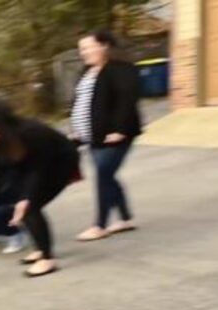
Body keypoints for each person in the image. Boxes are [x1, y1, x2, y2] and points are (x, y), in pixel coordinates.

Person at [0, 98, 79, 277]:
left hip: (59, 164)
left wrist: (27, 197)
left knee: (29, 207)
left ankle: (47, 259)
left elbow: (37, 170)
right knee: (24, 205)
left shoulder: (32, 132)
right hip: (30, 167)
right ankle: (40, 249)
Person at [71, 30, 142, 241]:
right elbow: (82, 102)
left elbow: (127, 101)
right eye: (81, 49)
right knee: (107, 175)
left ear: (103, 46)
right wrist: (77, 129)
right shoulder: (87, 71)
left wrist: (119, 130)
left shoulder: (121, 69)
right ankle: (126, 218)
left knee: (103, 174)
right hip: (92, 136)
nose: (82, 52)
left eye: (86, 47)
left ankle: (99, 225)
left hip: (115, 135)